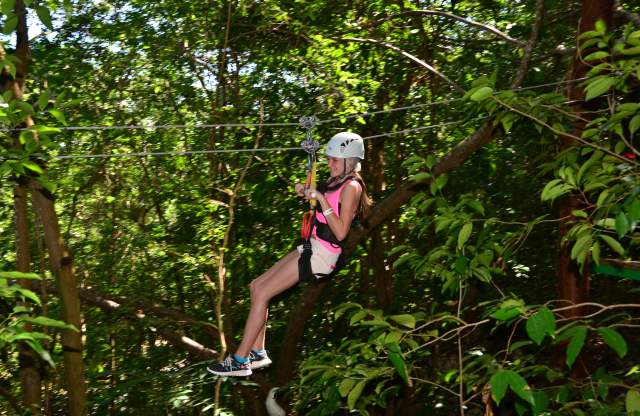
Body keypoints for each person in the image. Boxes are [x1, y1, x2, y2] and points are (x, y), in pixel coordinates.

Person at [207, 132, 372, 376]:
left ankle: (240, 360)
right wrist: (306, 191)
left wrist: (321, 200)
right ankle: (257, 352)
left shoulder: (352, 187)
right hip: (312, 246)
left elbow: (340, 232)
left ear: (349, 161)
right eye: (328, 159)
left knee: (263, 293)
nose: (329, 163)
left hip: (323, 255)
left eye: (334, 160)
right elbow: (319, 197)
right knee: (256, 286)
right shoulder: (337, 180)